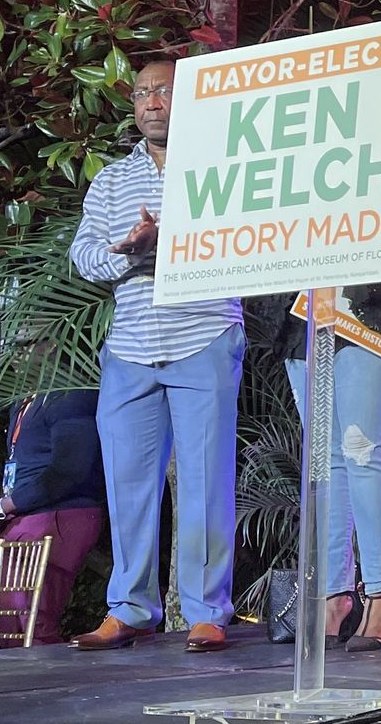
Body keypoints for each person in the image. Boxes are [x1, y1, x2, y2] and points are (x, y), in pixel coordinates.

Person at [67, 58, 245, 653]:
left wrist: (163, 239)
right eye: (141, 92)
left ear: (188, 98)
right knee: (129, 486)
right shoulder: (112, 181)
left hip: (203, 336)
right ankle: (131, 609)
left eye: (163, 90)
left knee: (204, 484)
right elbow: (83, 256)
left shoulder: (222, 169)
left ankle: (206, 611)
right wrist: (128, 254)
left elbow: (238, 241)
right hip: (131, 348)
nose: (150, 102)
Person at [281, 284, 381, 652]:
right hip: (309, 306)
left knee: (362, 450)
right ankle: (334, 595)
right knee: (327, 460)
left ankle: (380, 593)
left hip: (371, 302)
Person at [0, 389, 105, 647]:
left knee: (33, 619)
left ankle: (46, 683)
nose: (18, 354)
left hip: (58, 514)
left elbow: (70, 469)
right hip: (23, 515)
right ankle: (19, 684)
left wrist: (6, 504)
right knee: (10, 624)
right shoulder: (20, 401)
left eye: (28, 346)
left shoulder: (68, 395)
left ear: (52, 347)